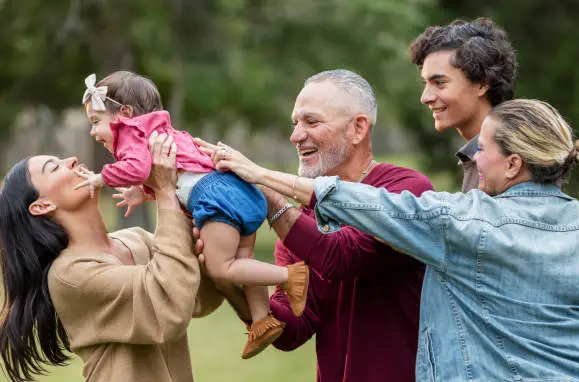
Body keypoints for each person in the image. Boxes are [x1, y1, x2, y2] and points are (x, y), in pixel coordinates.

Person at [199, 99, 579, 381]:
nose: (472, 158)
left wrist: (259, 176)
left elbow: (365, 205)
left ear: (514, 163)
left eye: (480, 148)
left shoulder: (462, 222)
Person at [197, 69, 433, 381]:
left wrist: (265, 191)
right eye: (295, 123)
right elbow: (292, 329)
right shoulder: (299, 223)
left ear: (358, 128)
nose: (296, 136)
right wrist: (226, 273)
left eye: (312, 122)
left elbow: (343, 256)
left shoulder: (405, 190)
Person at [75, 71, 309, 358]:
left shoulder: (130, 132)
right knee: (244, 260)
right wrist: (142, 192)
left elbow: (136, 168)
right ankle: (262, 321)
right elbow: (175, 178)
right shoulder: (161, 134)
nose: (92, 131)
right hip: (238, 190)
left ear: (125, 113)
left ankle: (290, 276)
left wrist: (101, 178)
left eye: (96, 122)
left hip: (215, 198)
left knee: (221, 267)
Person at [0, 134, 228, 382]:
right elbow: (169, 312)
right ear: (42, 206)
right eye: (55, 167)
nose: (73, 160)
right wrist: (164, 193)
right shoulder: (70, 275)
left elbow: (202, 298)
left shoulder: (137, 239)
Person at [411, 17, 517, 191]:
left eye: (440, 83)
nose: (425, 97)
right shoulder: (482, 154)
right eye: (426, 84)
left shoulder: (505, 163)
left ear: (482, 84)